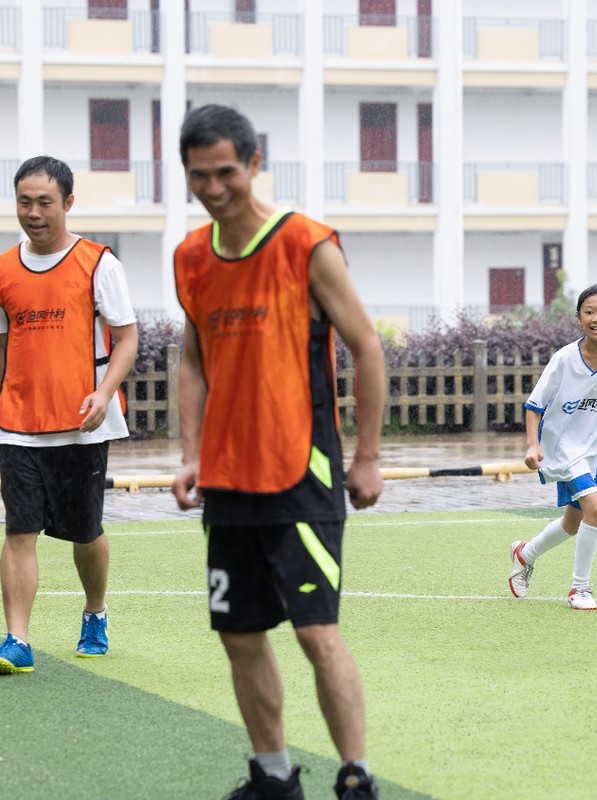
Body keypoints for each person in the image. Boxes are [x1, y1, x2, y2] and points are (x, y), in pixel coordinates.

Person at [171, 105, 386, 800]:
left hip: (302, 473)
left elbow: (367, 347)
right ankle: (273, 777)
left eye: (225, 172)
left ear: (254, 164)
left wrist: (367, 456)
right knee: (239, 635)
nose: (212, 188)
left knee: (316, 633)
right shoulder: (191, 257)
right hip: (227, 482)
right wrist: (191, 454)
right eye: (198, 175)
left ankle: (355, 777)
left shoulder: (306, 244)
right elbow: (193, 361)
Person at [0, 156, 138, 676]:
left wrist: (105, 393)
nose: (33, 212)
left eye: (44, 202)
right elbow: (1, 343)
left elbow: (127, 338)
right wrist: (1, 403)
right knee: (18, 532)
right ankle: (17, 640)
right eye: (24, 202)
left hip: (82, 423)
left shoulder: (99, 263)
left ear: (68, 202)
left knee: (85, 532)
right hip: (18, 426)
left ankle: (95, 613)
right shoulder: (1, 269)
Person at [509, 284, 597, 611]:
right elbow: (534, 405)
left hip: (593, 449)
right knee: (596, 509)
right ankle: (579, 589)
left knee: (573, 523)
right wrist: (532, 445)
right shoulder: (564, 359)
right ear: (578, 318)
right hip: (561, 447)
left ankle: (524, 553)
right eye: (589, 312)